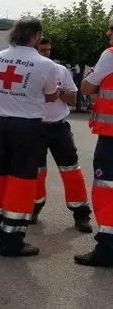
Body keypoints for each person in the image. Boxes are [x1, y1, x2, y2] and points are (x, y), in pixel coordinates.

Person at [0, 17, 60, 257]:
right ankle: (12, 240)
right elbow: (50, 94)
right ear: (36, 36)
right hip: (27, 127)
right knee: (22, 182)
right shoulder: (45, 64)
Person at [33, 37, 92, 232]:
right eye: (42, 50)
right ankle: (33, 208)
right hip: (35, 128)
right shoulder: (30, 70)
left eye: (48, 50)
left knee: (72, 170)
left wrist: (57, 93)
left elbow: (72, 97)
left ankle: (81, 214)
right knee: (36, 172)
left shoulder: (60, 70)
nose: (46, 53)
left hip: (59, 127)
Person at [75, 17, 113, 267]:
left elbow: (87, 88)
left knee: (106, 187)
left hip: (111, 138)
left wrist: (90, 77)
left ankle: (108, 248)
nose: (108, 32)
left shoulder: (110, 55)